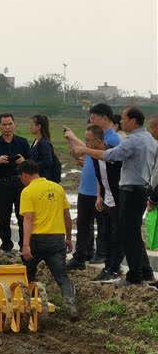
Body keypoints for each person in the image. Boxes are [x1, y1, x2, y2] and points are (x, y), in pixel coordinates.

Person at [67, 106, 157, 287]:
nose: (121, 123)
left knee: (125, 233)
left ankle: (133, 276)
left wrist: (85, 150)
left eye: (123, 119)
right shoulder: (149, 139)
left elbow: (110, 155)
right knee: (131, 233)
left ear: (133, 121)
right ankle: (145, 272)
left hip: (130, 190)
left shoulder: (133, 140)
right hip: (140, 189)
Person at [18, 159, 78, 320]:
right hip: (57, 240)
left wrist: (25, 245)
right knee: (61, 276)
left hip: (37, 240)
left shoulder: (28, 191)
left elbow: (28, 219)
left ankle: (28, 304)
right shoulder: (57, 188)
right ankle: (71, 305)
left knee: (27, 272)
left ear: (24, 175)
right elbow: (67, 216)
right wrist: (68, 238)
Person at [0, 113, 29, 257]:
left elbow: (32, 163)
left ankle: (24, 245)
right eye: (4, 124)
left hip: (20, 183)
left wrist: (23, 161)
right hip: (3, 183)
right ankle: (6, 246)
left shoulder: (22, 142)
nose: (7, 127)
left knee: (22, 216)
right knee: (3, 216)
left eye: (10, 124)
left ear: (15, 125)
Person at [84, 124, 123, 283]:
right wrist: (99, 196)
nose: (86, 144)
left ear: (98, 140)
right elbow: (100, 178)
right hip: (106, 199)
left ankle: (114, 269)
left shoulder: (114, 153)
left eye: (88, 140)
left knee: (117, 236)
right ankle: (108, 268)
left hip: (119, 200)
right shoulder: (94, 156)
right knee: (106, 234)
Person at [28, 114, 56, 180]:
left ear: (38, 127)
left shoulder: (44, 143)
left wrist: (30, 167)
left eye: (32, 125)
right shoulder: (36, 141)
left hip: (43, 178)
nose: (30, 127)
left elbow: (47, 162)